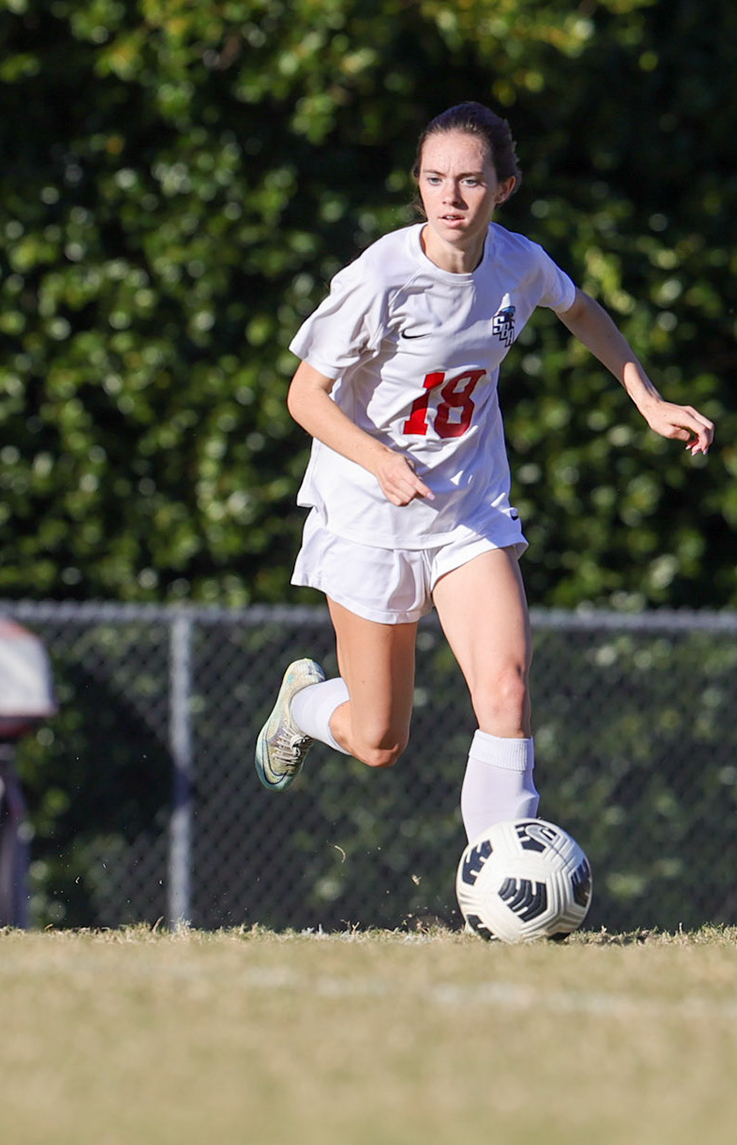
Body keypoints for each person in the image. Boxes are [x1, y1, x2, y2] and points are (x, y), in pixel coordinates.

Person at [253, 102, 713, 843]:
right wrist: (379, 460)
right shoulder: (381, 278)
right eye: (435, 179)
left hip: (467, 511)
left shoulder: (517, 263)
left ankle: (502, 885)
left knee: (506, 690)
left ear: (505, 187)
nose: (451, 197)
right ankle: (304, 704)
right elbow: (304, 396)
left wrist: (649, 400)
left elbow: (580, 309)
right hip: (370, 519)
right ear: (419, 185)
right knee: (379, 741)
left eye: (471, 181)